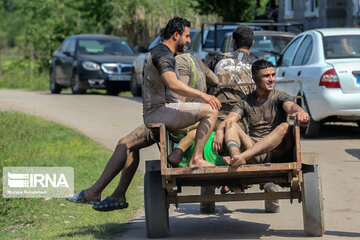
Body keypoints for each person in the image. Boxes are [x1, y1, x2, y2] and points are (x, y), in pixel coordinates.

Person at [142, 17, 221, 168]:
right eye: (187, 36)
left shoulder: (164, 52)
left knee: (203, 117)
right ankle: (196, 159)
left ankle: (180, 152)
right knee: (211, 111)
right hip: (158, 112)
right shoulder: (163, 54)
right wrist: (203, 95)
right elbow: (173, 84)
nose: (189, 41)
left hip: (160, 109)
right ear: (176, 35)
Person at [217, 59, 309, 167]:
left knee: (285, 126)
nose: (271, 79)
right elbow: (230, 119)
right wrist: (219, 131)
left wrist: (300, 112)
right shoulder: (245, 101)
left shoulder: (279, 96)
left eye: (273, 75)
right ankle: (236, 157)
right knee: (230, 124)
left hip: (277, 151)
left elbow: (291, 106)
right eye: (266, 76)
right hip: (253, 149)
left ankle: (243, 157)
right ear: (255, 79)